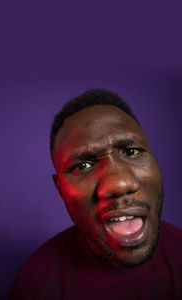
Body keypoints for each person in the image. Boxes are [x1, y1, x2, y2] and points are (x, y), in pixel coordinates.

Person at [10, 89, 182, 299]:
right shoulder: (36, 283)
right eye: (83, 165)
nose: (118, 184)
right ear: (60, 190)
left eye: (131, 152)